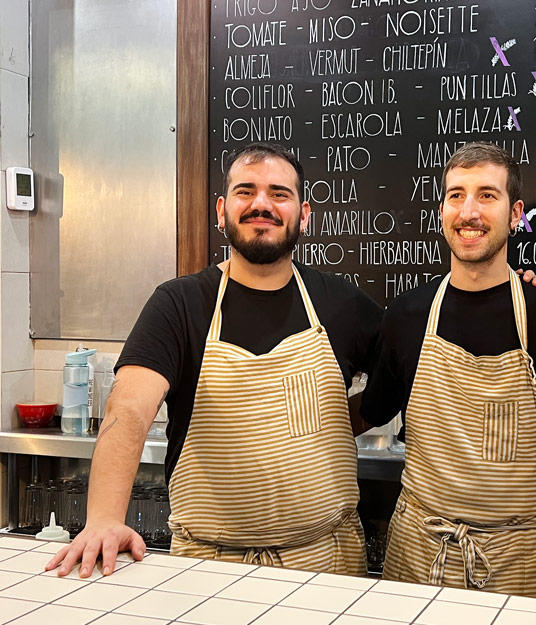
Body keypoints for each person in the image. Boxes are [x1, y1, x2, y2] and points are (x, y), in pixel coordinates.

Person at [47, 142, 383, 577]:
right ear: (222, 210)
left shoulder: (343, 305)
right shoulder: (180, 303)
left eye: (279, 194)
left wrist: (340, 416)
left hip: (328, 563)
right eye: (246, 191)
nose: (262, 204)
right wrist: (105, 519)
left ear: (304, 214)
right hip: (209, 566)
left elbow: (402, 380)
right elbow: (129, 408)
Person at [360, 142, 536, 599]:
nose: (469, 211)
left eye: (487, 195)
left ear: (516, 213)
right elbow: (370, 412)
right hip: (417, 561)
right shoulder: (407, 315)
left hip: (525, 567)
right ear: (442, 210)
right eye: (456, 195)